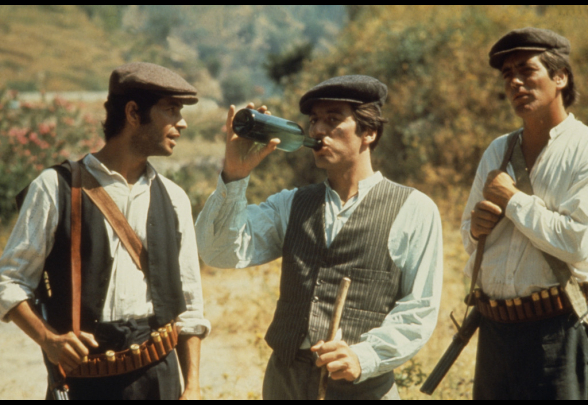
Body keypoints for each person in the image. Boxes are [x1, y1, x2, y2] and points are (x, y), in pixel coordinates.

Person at [196, 75, 443, 400]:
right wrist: (234, 175)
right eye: (314, 120)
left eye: (333, 119)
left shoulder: (414, 209)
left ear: (369, 132)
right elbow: (218, 251)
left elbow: (419, 307)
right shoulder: (291, 204)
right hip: (285, 383)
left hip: (361, 387)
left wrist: (363, 357)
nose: (316, 131)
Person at [0, 62, 211, 400]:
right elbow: (10, 281)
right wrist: (49, 340)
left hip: (159, 378)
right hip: (83, 382)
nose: (182, 122)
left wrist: (194, 386)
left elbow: (189, 304)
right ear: (133, 113)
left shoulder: (174, 199)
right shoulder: (55, 187)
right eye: (171, 110)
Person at [461, 27, 588, 400]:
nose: (515, 82)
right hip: (496, 331)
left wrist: (513, 201)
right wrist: (476, 229)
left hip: (559, 331)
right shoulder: (498, 150)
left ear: (560, 77)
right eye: (507, 75)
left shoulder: (584, 148)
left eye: (526, 70)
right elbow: (468, 237)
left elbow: (578, 242)